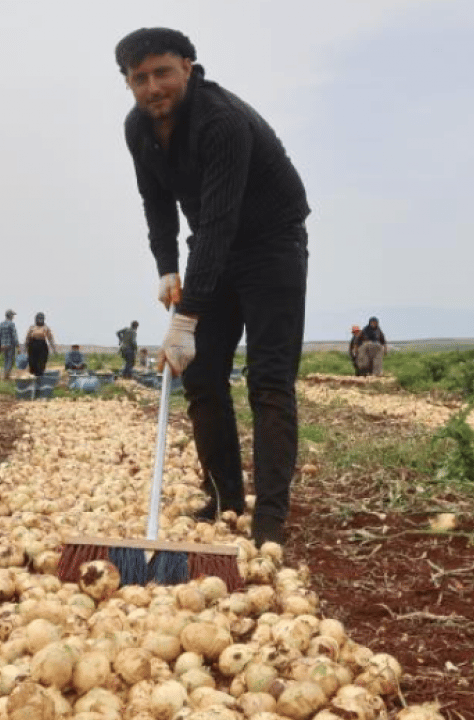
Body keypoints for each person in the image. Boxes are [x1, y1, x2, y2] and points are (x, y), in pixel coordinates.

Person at [117, 28, 310, 547]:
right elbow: (155, 200)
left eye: (162, 72)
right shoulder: (139, 129)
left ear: (188, 66)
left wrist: (186, 318)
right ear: (128, 84)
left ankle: (269, 518)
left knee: (269, 381)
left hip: (271, 243)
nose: (153, 86)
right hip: (213, 245)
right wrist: (166, 266)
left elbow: (221, 220)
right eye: (140, 78)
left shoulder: (221, 121)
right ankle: (225, 499)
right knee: (201, 375)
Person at [24, 312, 56, 379]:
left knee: (41, 362)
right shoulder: (32, 327)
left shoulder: (46, 328)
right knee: (32, 362)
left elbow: (50, 338)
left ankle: (40, 377)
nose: (40, 320)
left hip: (42, 346)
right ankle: (33, 377)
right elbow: (27, 337)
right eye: (38, 319)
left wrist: (54, 348)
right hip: (32, 345)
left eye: (41, 319)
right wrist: (25, 347)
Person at [0, 309, 20, 380]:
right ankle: (6, 376)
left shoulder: (1, 324)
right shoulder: (11, 324)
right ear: (10, 316)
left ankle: (5, 374)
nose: (13, 317)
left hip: (3, 345)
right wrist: (18, 346)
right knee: (10, 360)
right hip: (10, 345)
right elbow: (14, 335)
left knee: (6, 360)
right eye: (13, 315)